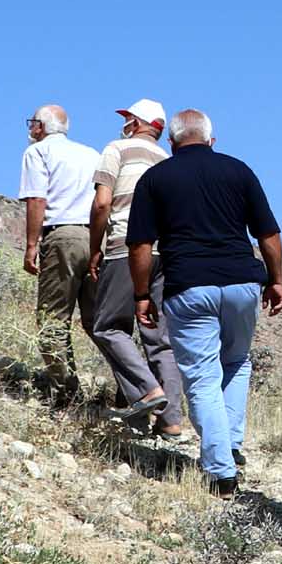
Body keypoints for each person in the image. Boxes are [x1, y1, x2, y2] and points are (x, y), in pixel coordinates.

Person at [124, 110, 282, 497]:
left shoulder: (155, 178)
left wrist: (142, 293)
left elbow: (140, 245)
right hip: (243, 283)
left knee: (201, 376)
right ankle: (228, 444)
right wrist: (275, 280)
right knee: (237, 362)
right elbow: (269, 233)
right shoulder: (238, 171)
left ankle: (220, 471)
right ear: (212, 140)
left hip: (189, 285)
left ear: (172, 142)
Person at [82, 100, 191, 445]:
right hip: (166, 254)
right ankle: (172, 420)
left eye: (128, 117)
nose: (124, 122)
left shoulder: (116, 149)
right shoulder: (167, 161)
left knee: (107, 326)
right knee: (160, 340)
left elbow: (102, 203)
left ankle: (146, 392)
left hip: (125, 248)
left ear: (137, 122)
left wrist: (95, 246)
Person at [16, 104, 101, 403]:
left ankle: (67, 393)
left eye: (32, 123)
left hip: (62, 237)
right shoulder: (92, 154)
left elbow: (37, 199)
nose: (30, 128)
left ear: (40, 126)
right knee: (99, 322)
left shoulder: (37, 152)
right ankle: (132, 390)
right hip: (95, 239)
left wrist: (31, 245)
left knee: (52, 319)